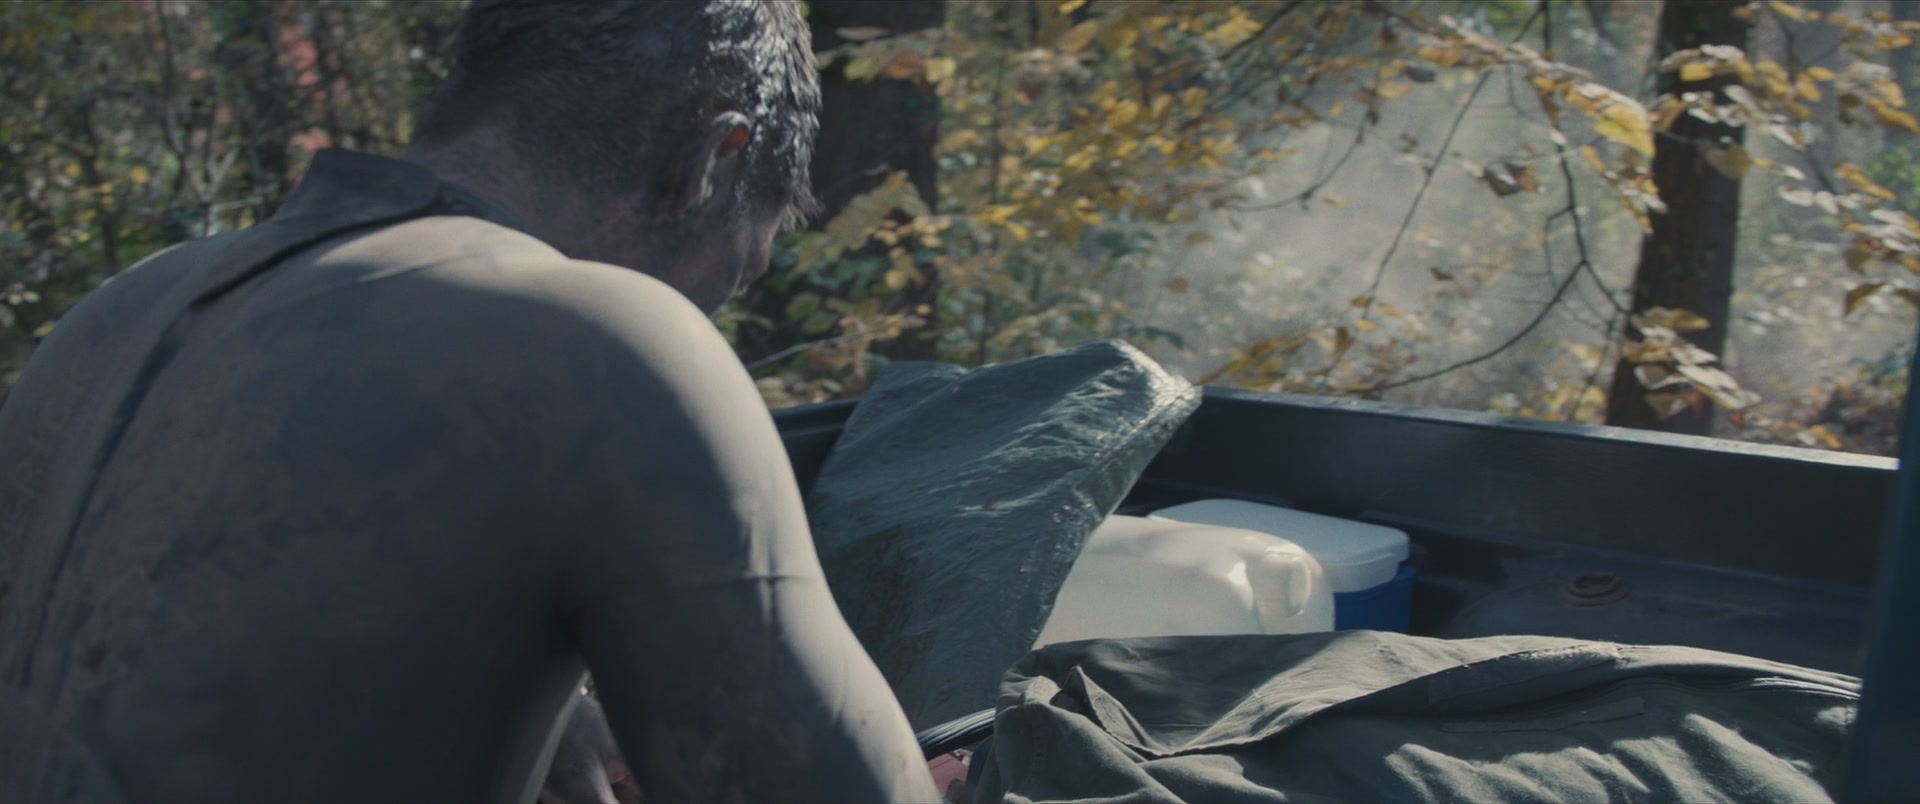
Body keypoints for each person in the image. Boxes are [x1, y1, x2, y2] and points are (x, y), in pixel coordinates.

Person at [0, 1, 937, 801]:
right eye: (733, 272)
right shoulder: (599, 340)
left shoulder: (117, 316)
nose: (709, 313)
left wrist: (539, 714)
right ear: (710, 160)